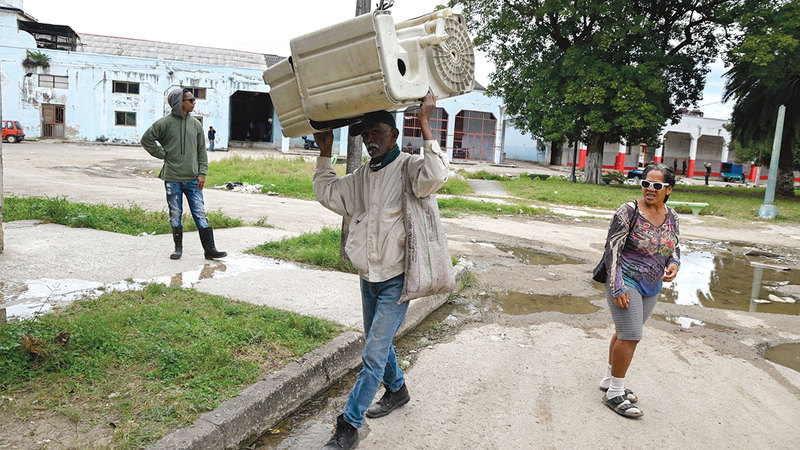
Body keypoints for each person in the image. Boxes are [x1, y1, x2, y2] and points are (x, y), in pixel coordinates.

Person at [314, 94, 448, 450]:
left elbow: (436, 175)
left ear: (393, 135)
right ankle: (398, 390)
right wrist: (325, 153)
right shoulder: (361, 176)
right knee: (378, 341)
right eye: (365, 135)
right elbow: (328, 192)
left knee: (372, 352)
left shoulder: (409, 168)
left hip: (396, 278)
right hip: (367, 277)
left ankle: (348, 425)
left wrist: (424, 123)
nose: (369, 140)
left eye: (376, 132)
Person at [597, 162, 680, 418]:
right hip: (625, 280)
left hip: (652, 286)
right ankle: (615, 393)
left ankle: (609, 379)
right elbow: (612, 251)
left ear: (669, 190)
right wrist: (617, 286)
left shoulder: (672, 217)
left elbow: (673, 246)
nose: (650, 189)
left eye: (657, 185)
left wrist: (675, 263)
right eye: (646, 184)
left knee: (624, 332)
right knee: (631, 335)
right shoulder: (627, 212)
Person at [141, 88, 226, 261]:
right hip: (172, 178)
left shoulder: (195, 124)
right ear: (180, 103)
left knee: (200, 213)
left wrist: (202, 174)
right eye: (191, 100)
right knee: (175, 213)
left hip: (193, 179)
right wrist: (163, 154)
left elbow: (202, 151)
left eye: (194, 99)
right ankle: (178, 249)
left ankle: (210, 250)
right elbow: (146, 140)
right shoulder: (163, 123)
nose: (194, 102)